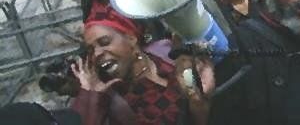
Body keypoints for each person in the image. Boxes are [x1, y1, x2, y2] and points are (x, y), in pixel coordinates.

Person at [71, 8, 213, 125]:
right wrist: (90, 97)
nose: (97, 54)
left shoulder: (165, 52)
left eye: (104, 42)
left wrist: (198, 101)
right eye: (91, 50)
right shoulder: (113, 102)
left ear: (131, 39)